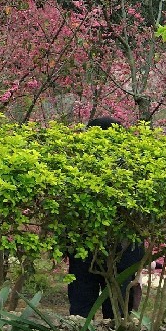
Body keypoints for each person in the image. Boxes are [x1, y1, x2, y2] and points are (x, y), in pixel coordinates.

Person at [67, 116, 145, 320]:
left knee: (84, 305)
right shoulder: (136, 166)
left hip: (94, 244)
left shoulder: (78, 166)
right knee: (116, 308)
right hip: (119, 246)